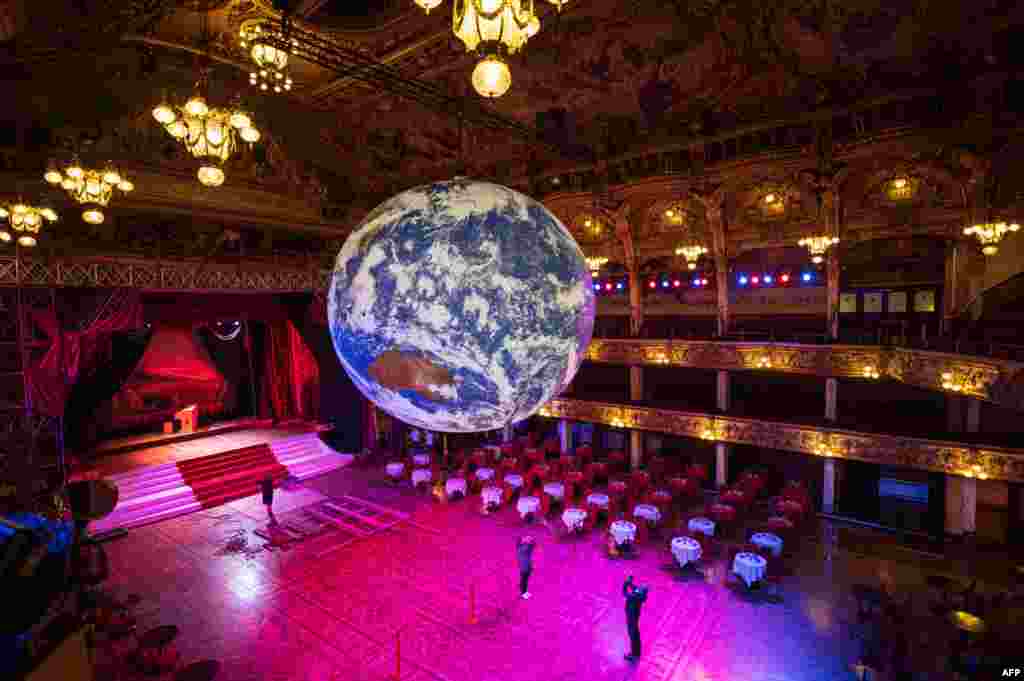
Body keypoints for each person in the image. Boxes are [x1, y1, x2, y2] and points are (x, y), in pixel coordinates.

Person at [623, 575, 648, 662]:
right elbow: (634, 588)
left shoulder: (633, 597)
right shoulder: (639, 596)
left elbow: (624, 592)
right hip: (634, 618)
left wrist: (626, 582)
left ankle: (634, 655)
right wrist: (630, 583)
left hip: (631, 619)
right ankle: (637, 653)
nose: (638, 587)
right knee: (636, 635)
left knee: (632, 636)